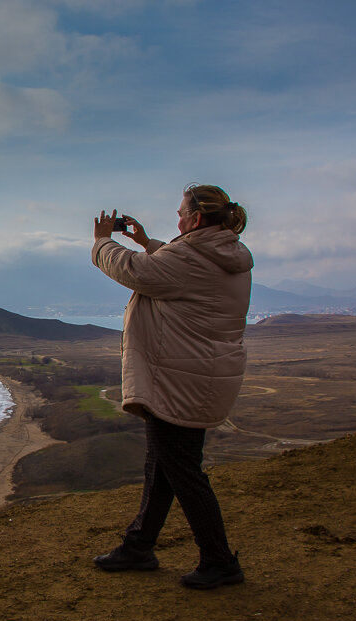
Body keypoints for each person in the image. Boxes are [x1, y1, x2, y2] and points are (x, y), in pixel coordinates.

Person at [89, 183, 253, 589]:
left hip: (181, 379)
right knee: (163, 464)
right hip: (197, 376)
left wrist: (101, 241)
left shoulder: (190, 259)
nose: (177, 220)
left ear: (196, 219)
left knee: (181, 470)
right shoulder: (223, 254)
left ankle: (220, 561)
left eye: (182, 214)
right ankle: (139, 545)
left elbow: (135, 272)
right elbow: (180, 264)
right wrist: (147, 241)